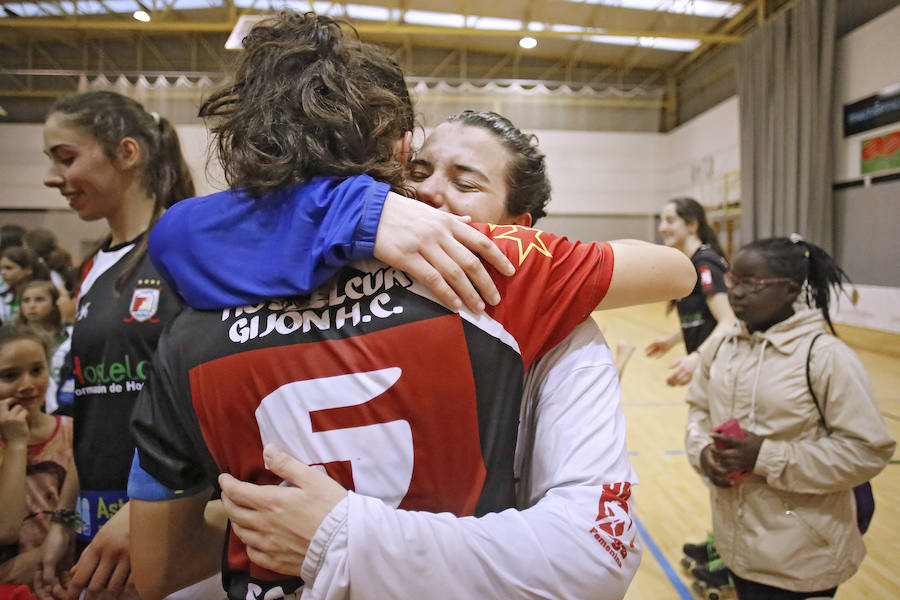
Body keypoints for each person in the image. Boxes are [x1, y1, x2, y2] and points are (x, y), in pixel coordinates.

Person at [127, 12, 694, 600]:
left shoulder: (195, 317)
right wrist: (354, 211)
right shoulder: (516, 275)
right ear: (398, 153)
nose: (427, 196)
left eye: (466, 183)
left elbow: (163, 571)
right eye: (420, 172)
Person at [37, 90, 207, 599]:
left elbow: (209, 406)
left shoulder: (185, 252)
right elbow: (86, 413)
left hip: (166, 525)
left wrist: (144, 511)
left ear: (127, 153)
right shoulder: (91, 269)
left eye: (66, 158)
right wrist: (63, 520)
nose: (52, 177)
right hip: (95, 530)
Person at [684, 236, 895, 599]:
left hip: (803, 559)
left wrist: (766, 457)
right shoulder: (721, 346)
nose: (736, 293)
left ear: (790, 289)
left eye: (753, 284)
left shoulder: (825, 357)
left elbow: (868, 451)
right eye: (734, 280)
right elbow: (698, 410)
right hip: (738, 551)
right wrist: (703, 452)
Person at [0, 326, 76, 592]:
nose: (27, 385)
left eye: (36, 370)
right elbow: (4, 529)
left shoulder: (71, 432)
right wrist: (17, 442)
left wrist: (46, 551)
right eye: (9, 376)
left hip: (67, 579)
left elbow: (83, 509)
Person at [644, 197, 737, 386]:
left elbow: (729, 321)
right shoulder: (692, 263)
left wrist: (697, 357)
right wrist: (672, 340)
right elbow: (705, 317)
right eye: (661, 221)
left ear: (692, 225)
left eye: (670, 220)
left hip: (721, 368)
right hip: (708, 367)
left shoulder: (705, 264)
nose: (662, 228)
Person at [13, 281, 70, 416]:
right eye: (26, 300)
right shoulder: (12, 337)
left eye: (39, 300)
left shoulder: (66, 335)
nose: (31, 305)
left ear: (54, 303)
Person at [1, 248, 49, 326]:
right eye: (0, 269)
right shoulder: (5, 296)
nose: (3, 273)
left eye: (8, 268)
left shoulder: (45, 292)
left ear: (28, 270)